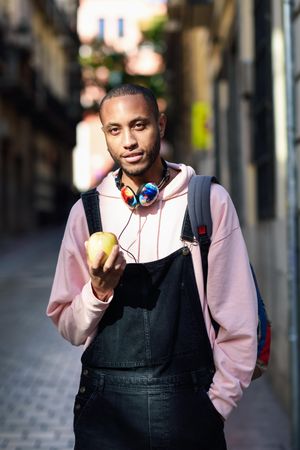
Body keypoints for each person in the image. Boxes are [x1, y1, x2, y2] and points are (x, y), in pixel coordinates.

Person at [47, 84, 257, 450]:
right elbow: (70, 328)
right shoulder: (87, 213)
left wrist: (216, 407)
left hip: (189, 414)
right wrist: (97, 291)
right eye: (115, 130)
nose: (128, 141)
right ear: (105, 136)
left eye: (139, 125)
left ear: (160, 124)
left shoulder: (206, 202)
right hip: (106, 415)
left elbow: (239, 322)